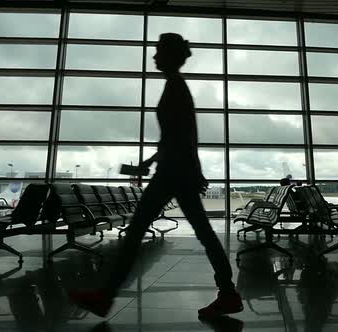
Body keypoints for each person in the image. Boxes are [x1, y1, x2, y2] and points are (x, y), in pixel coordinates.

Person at [69, 33, 243, 319]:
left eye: (158, 51)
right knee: (203, 234)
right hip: (177, 171)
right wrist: (151, 163)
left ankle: (105, 296)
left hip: (173, 172)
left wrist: (168, 166)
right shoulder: (176, 86)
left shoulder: (175, 87)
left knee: (137, 231)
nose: (153, 56)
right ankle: (228, 293)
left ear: (169, 55)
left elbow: (181, 136)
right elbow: (177, 136)